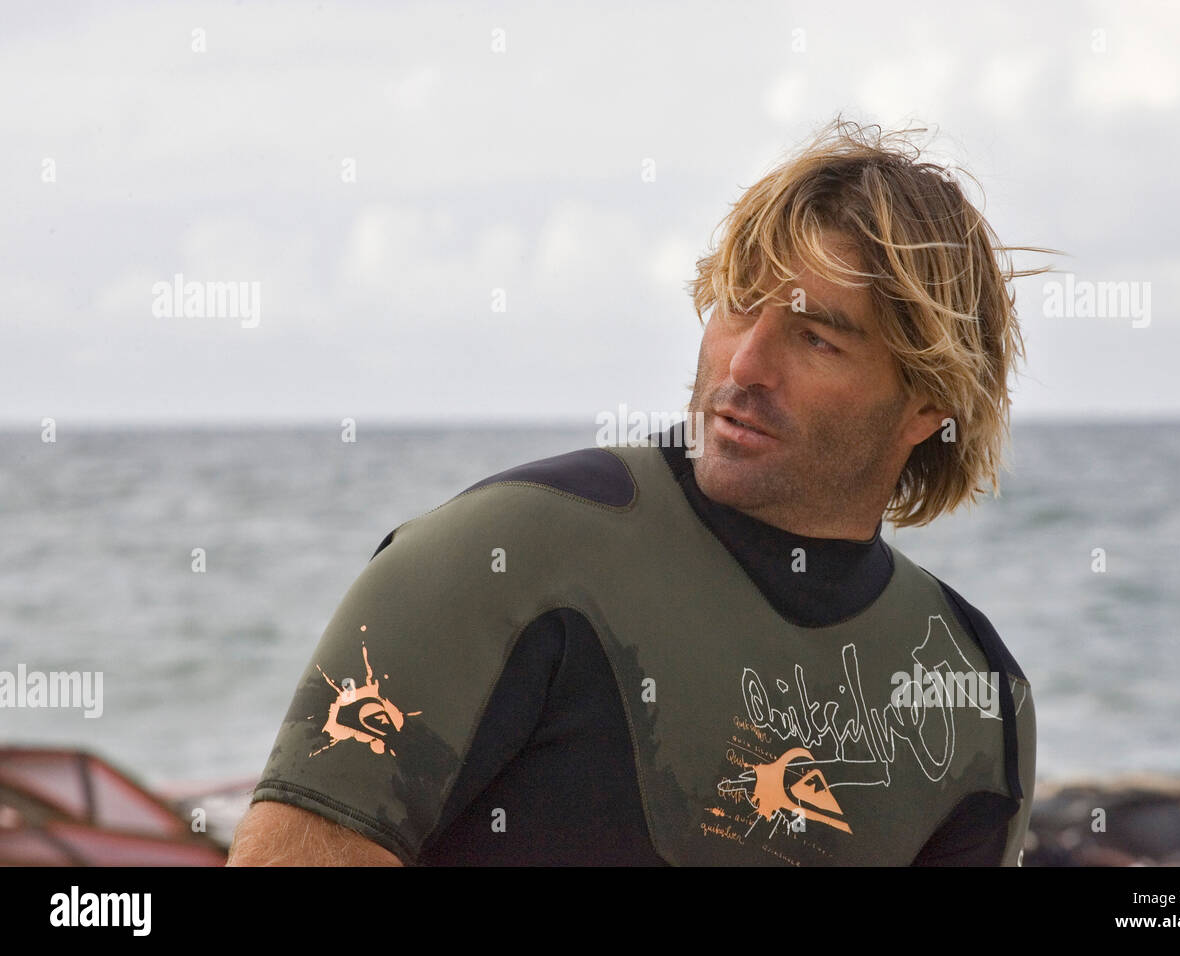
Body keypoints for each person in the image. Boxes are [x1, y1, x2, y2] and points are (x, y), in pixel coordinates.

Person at [228, 116, 1044, 867]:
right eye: (736, 305)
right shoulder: (503, 560)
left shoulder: (977, 703)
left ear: (926, 405)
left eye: (815, 337)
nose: (743, 366)